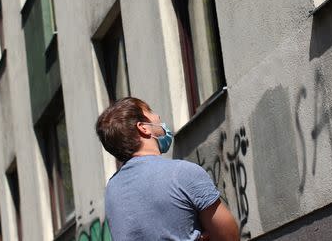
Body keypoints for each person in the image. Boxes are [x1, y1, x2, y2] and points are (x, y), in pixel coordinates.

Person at [95, 97, 240, 241]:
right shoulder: (182, 173)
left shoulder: (112, 190)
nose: (157, 116)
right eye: (150, 112)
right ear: (143, 128)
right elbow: (229, 235)